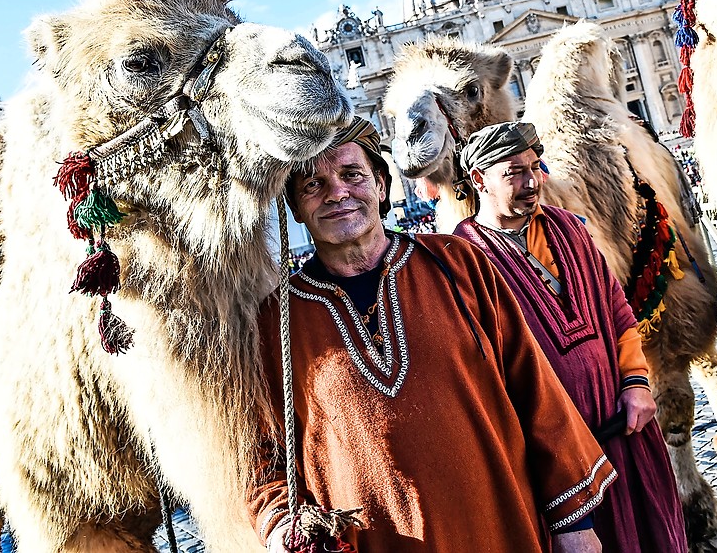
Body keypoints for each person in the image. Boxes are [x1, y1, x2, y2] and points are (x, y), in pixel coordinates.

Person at [248, 117, 615, 553]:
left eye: (351, 175)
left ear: (381, 186)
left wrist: (574, 523)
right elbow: (258, 456)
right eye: (313, 184)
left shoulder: (458, 263)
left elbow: (535, 390)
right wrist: (281, 528)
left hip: (502, 528)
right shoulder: (273, 322)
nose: (337, 193)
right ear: (294, 206)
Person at [451, 122, 687, 553]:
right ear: (479, 180)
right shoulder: (462, 259)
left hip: (624, 424)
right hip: (552, 457)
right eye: (513, 173)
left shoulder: (566, 227)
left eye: (534, 167)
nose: (531, 183)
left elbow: (616, 308)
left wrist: (636, 383)